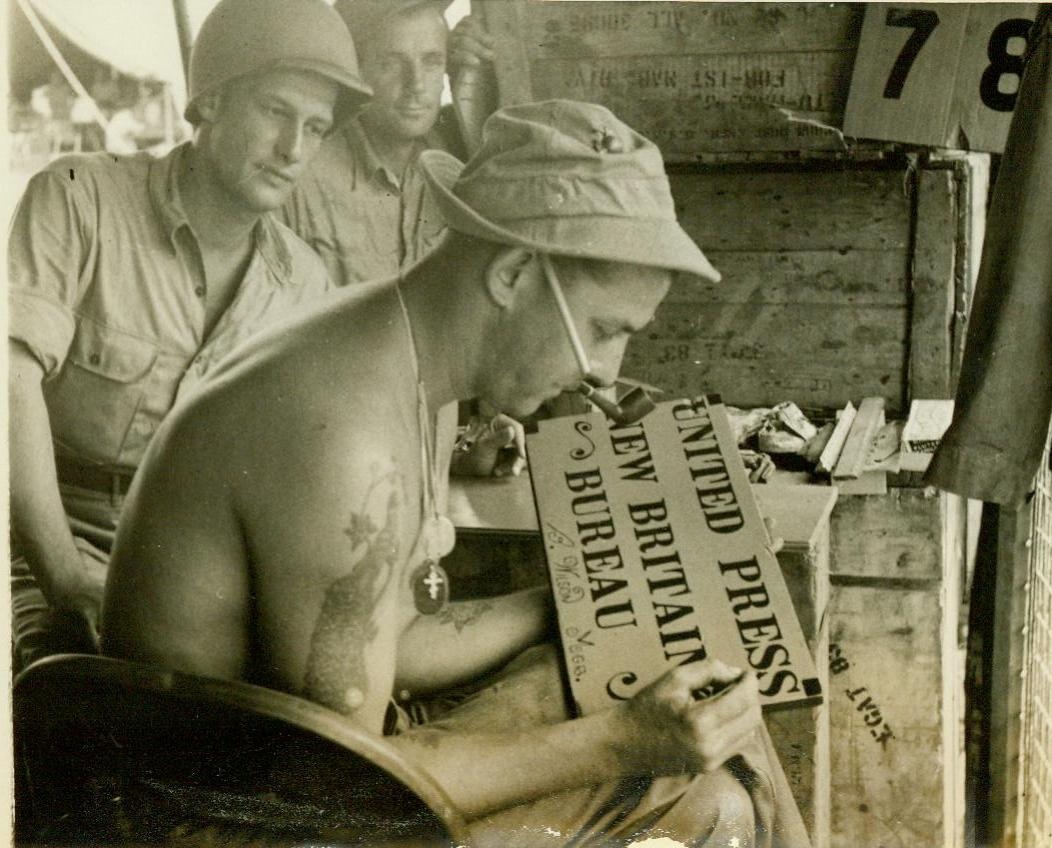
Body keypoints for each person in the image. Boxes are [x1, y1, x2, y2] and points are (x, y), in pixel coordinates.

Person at [101, 100, 809, 847]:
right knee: (707, 804)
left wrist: (583, 601)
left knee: (669, 674)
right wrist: (623, 741)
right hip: (214, 821)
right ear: (511, 272)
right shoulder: (345, 435)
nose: (604, 374)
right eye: (604, 331)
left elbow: (380, 639)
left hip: (287, 771)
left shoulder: (401, 356)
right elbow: (357, 786)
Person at [8, 0, 371, 672]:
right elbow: (8, 388)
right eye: (276, 113)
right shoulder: (77, 200)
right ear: (210, 105)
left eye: (315, 128)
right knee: (63, 693)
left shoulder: (305, 285)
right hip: (40, 551)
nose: (294, 150)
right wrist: (64, 579)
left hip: (201, 572)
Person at [280, 0, 496, 288]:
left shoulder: (455, 158)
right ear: (353, 71)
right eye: (391, 63)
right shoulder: (298, 175)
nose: (416, 84)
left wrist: (475, 84)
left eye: (432, 62)